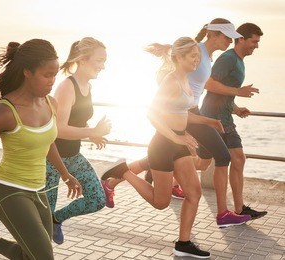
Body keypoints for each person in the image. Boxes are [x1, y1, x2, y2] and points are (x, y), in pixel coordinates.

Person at [102, 18, 266, 228]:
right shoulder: (197, 52)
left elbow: (196, 83)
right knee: (222, 155)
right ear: (213, 35)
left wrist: (221, 113)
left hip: (191, 112)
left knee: (189, 158)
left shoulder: (206, 56)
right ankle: (223, 213)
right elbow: (190, 80)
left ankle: (119, 177)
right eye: (227, 37)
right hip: (186, 112)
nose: (229, 41)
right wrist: (234, 94)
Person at [0, 39, 82, 260]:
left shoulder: (51, 103)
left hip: (39, 190)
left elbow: (47, 141)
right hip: (9, 192)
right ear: (27, 72)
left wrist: (65, 173)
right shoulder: (6, 112)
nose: (52, 81)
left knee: (32, 254)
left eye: (55, 74)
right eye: (47, 75)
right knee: (43, 257)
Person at [102, 37, 211, 258]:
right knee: (160, 202)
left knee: (194, 193)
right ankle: (123, 171)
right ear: (179, 58)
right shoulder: (171, 81)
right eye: (193, 56)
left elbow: (180, 113)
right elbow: (152, 112)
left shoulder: (185, 80)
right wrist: (175, 137)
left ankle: (183, 243)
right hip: (163, 144)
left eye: (198, 57)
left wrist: (191, 133)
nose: (196, 61)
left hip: (178, 142)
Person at [45, 37, 110, 245]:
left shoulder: (87, 86)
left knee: (97, 200)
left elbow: (76, 120)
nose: (103, 66)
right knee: (42, 221)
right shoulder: (67, 86)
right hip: (51, 160)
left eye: (104, 61)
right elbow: (59, 129)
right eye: (99, 61)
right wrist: (91, 130)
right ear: (82, 60)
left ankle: (57, 219)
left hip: (73, 156)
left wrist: (92, 134)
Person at [200, 22, 267, 223]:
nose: (256, 46)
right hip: (213, 118)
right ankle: (159, 162)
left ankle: (239, 208)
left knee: (221, 160)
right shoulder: (228, 58)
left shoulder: (239, 60)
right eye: (254, 42)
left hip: (225, 117)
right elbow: (209, 84)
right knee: (214, 161)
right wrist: (238, 92)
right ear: (241, 39)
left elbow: (224, 90)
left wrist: (236, 108)